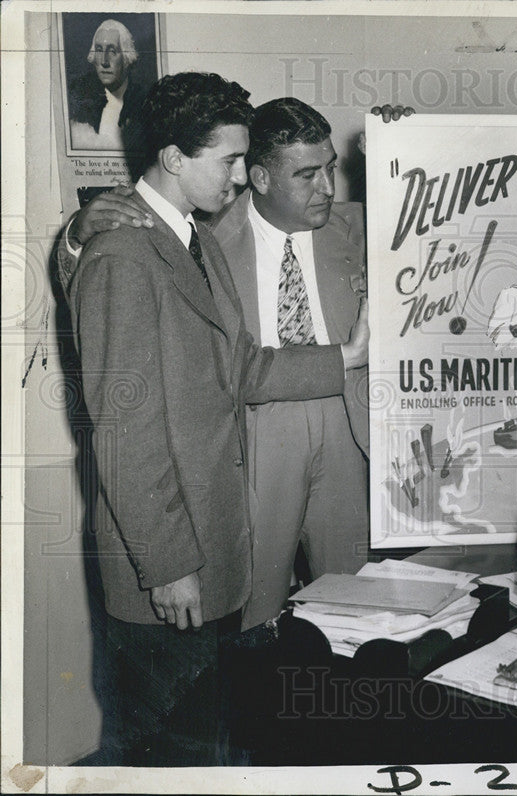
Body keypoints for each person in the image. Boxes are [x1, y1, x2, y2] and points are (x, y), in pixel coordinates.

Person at [61, 71, 369, 763]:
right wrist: (167, 566)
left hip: (212, 552)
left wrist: (346, 356)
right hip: (171, 567)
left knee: (214, 734)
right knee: (170, 750)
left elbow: (244, 369)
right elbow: (125, 433)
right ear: (174, 158)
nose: (240, 177)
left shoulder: (189, 243)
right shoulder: (122, 257)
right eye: (229, 161)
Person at [211, 97, 370, 630]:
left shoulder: (361, 227)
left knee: (354, 604)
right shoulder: (206, 244)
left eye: (331, 168)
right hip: (258, 427)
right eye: (307, 175)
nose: (327, 187)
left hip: (347, 419)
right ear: (258, 177)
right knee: (254, 609)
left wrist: (405, 142)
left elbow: (443, 209)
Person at [68, 18, 145, 150]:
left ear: (126, 58)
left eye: (112, 51)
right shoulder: (81, 104)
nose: (104, 61)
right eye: (99, 50)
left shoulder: (143, 105)